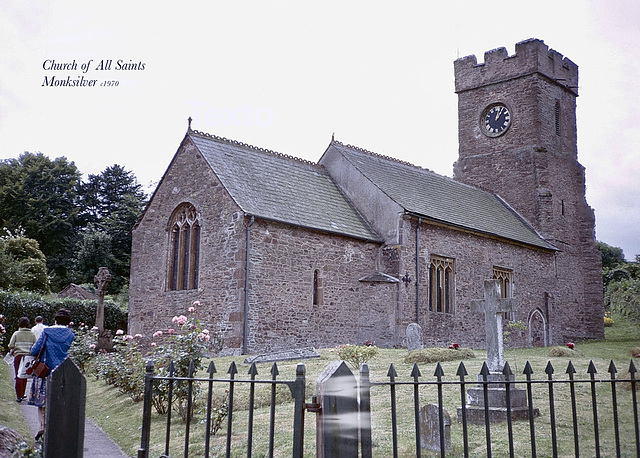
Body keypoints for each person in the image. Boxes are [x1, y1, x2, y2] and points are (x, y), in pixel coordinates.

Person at [29, 308, 75, 441]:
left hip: (45, 370)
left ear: (55, 319)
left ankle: (43, 426)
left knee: (41, 402)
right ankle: (56, 428)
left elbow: (35, 350)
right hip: (62, 371)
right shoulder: (70, 334)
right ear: (68, 322)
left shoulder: (47, 331)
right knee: (59, 401)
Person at [8, 317, 37, 402]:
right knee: (25, 375)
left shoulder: (16, 333)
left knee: (18, 375)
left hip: (19, 355)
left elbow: (10, 345)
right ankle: (23, 393)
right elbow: (35, 345)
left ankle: (19, 395)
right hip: (28, 357)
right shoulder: (32, 334)